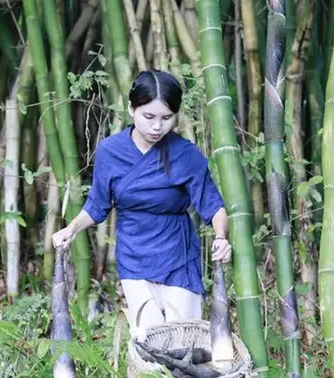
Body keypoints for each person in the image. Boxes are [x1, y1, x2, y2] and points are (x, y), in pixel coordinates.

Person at [52, 69, 232, 336]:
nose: (157, 127)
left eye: (166, 118)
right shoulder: (110, 151)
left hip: (176, 255)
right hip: (133, 254)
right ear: (131, 109)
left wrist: (221, 237)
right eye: (148, 117)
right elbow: (97, 205)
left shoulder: (185, 153)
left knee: (183, 338)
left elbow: (213, 205)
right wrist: (71, 229)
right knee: (147, 338)